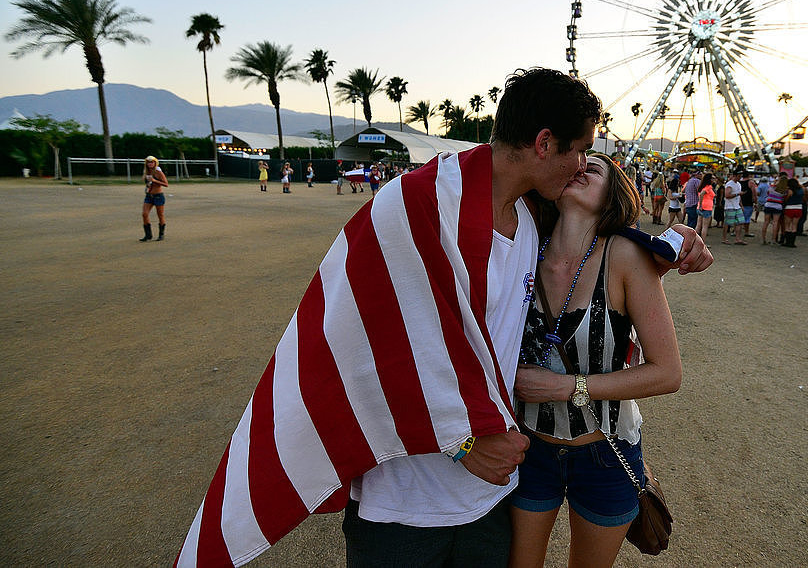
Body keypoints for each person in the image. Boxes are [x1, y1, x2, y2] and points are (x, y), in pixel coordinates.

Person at [175, 67, 715, 568]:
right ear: (544, 143)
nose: (583, 167)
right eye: (581, 151)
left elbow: (607, 245)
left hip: (492, 495)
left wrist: (675, 243)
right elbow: (367, 351)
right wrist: (463, 440)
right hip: (406, 501)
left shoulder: (532, 220)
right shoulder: (414, 206)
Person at [508, 153, 681, 567]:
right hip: (529, 448)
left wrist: (569, 387)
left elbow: (667, 372)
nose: (581, 168)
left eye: (596, 169)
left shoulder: (624, 256)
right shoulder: (523, 246)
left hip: (605, 453)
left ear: (614, 196)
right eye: (577, 164)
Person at [139, 155, 168, 242]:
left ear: (155, 163)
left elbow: (166, 184)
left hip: (158, 196)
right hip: (149, 196)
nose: (150, 164)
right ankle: (148, 235)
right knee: (144, 214)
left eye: (152, 162)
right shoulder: (147, 172)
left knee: (160, 215)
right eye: (148, 162)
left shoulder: (158, 172)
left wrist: (155, 180)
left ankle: (161, 234)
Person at [760, 174, 787, 245]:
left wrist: (775, 182)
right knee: (775, 223)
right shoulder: (785, 190)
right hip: (778, 206)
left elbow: (768, 193)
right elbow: (784, 198)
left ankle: (763, 239)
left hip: (768, 204)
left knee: (766, 222)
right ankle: (773, 240)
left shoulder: (772, 186)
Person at [781, 177, 804, 247]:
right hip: (799, 208)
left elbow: (786, 199)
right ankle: (792, 243)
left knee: (787, 226)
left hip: (789, 208)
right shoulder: (801, 190)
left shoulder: (790, 191)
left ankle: (787, 242)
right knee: (794, 226)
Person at [696, 173, 717, 243]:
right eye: (713, 178)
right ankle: (702, 243)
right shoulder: (708, 187)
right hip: (706, 208)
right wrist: (701, 204)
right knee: (704, 227)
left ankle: (695, 241)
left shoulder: (702, 186)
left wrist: (700, 204)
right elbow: (702, 194)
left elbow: (701, 194)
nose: (714, 179)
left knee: (699, 225)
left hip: (700, 207)